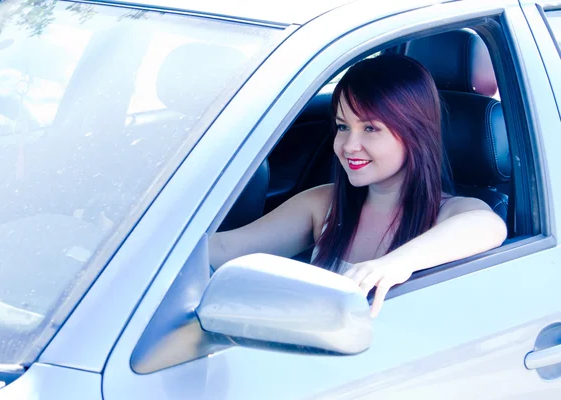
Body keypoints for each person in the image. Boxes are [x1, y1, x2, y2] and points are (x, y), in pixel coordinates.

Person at [209, 54, 507, 317]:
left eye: (370, 129)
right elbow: (224, 248)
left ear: (415, 133)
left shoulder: (449, 212)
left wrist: (395, 263)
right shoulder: (323, 204)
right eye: (342, 127)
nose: (349, 145)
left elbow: (488, 225)